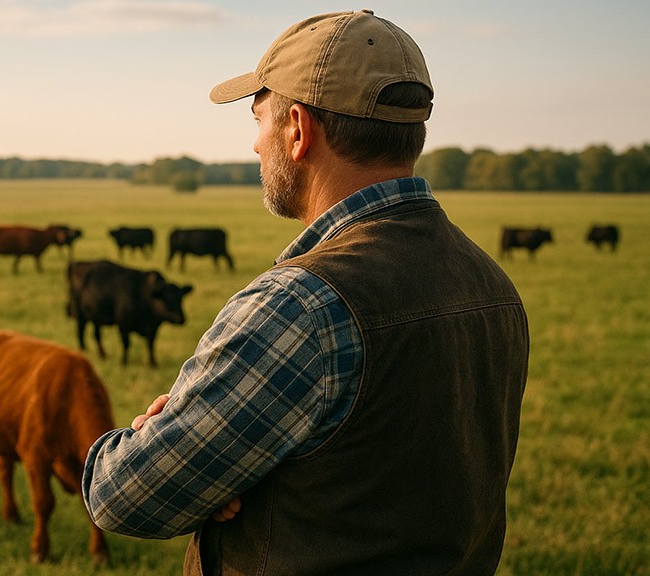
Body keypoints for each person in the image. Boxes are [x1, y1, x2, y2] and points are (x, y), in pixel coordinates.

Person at [82, 9, 528, 576]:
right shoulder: (492, 284)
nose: (253, 146)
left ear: (297, 129)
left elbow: (120, 496)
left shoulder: (303, 306)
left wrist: (162, 444)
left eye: (258, 120)